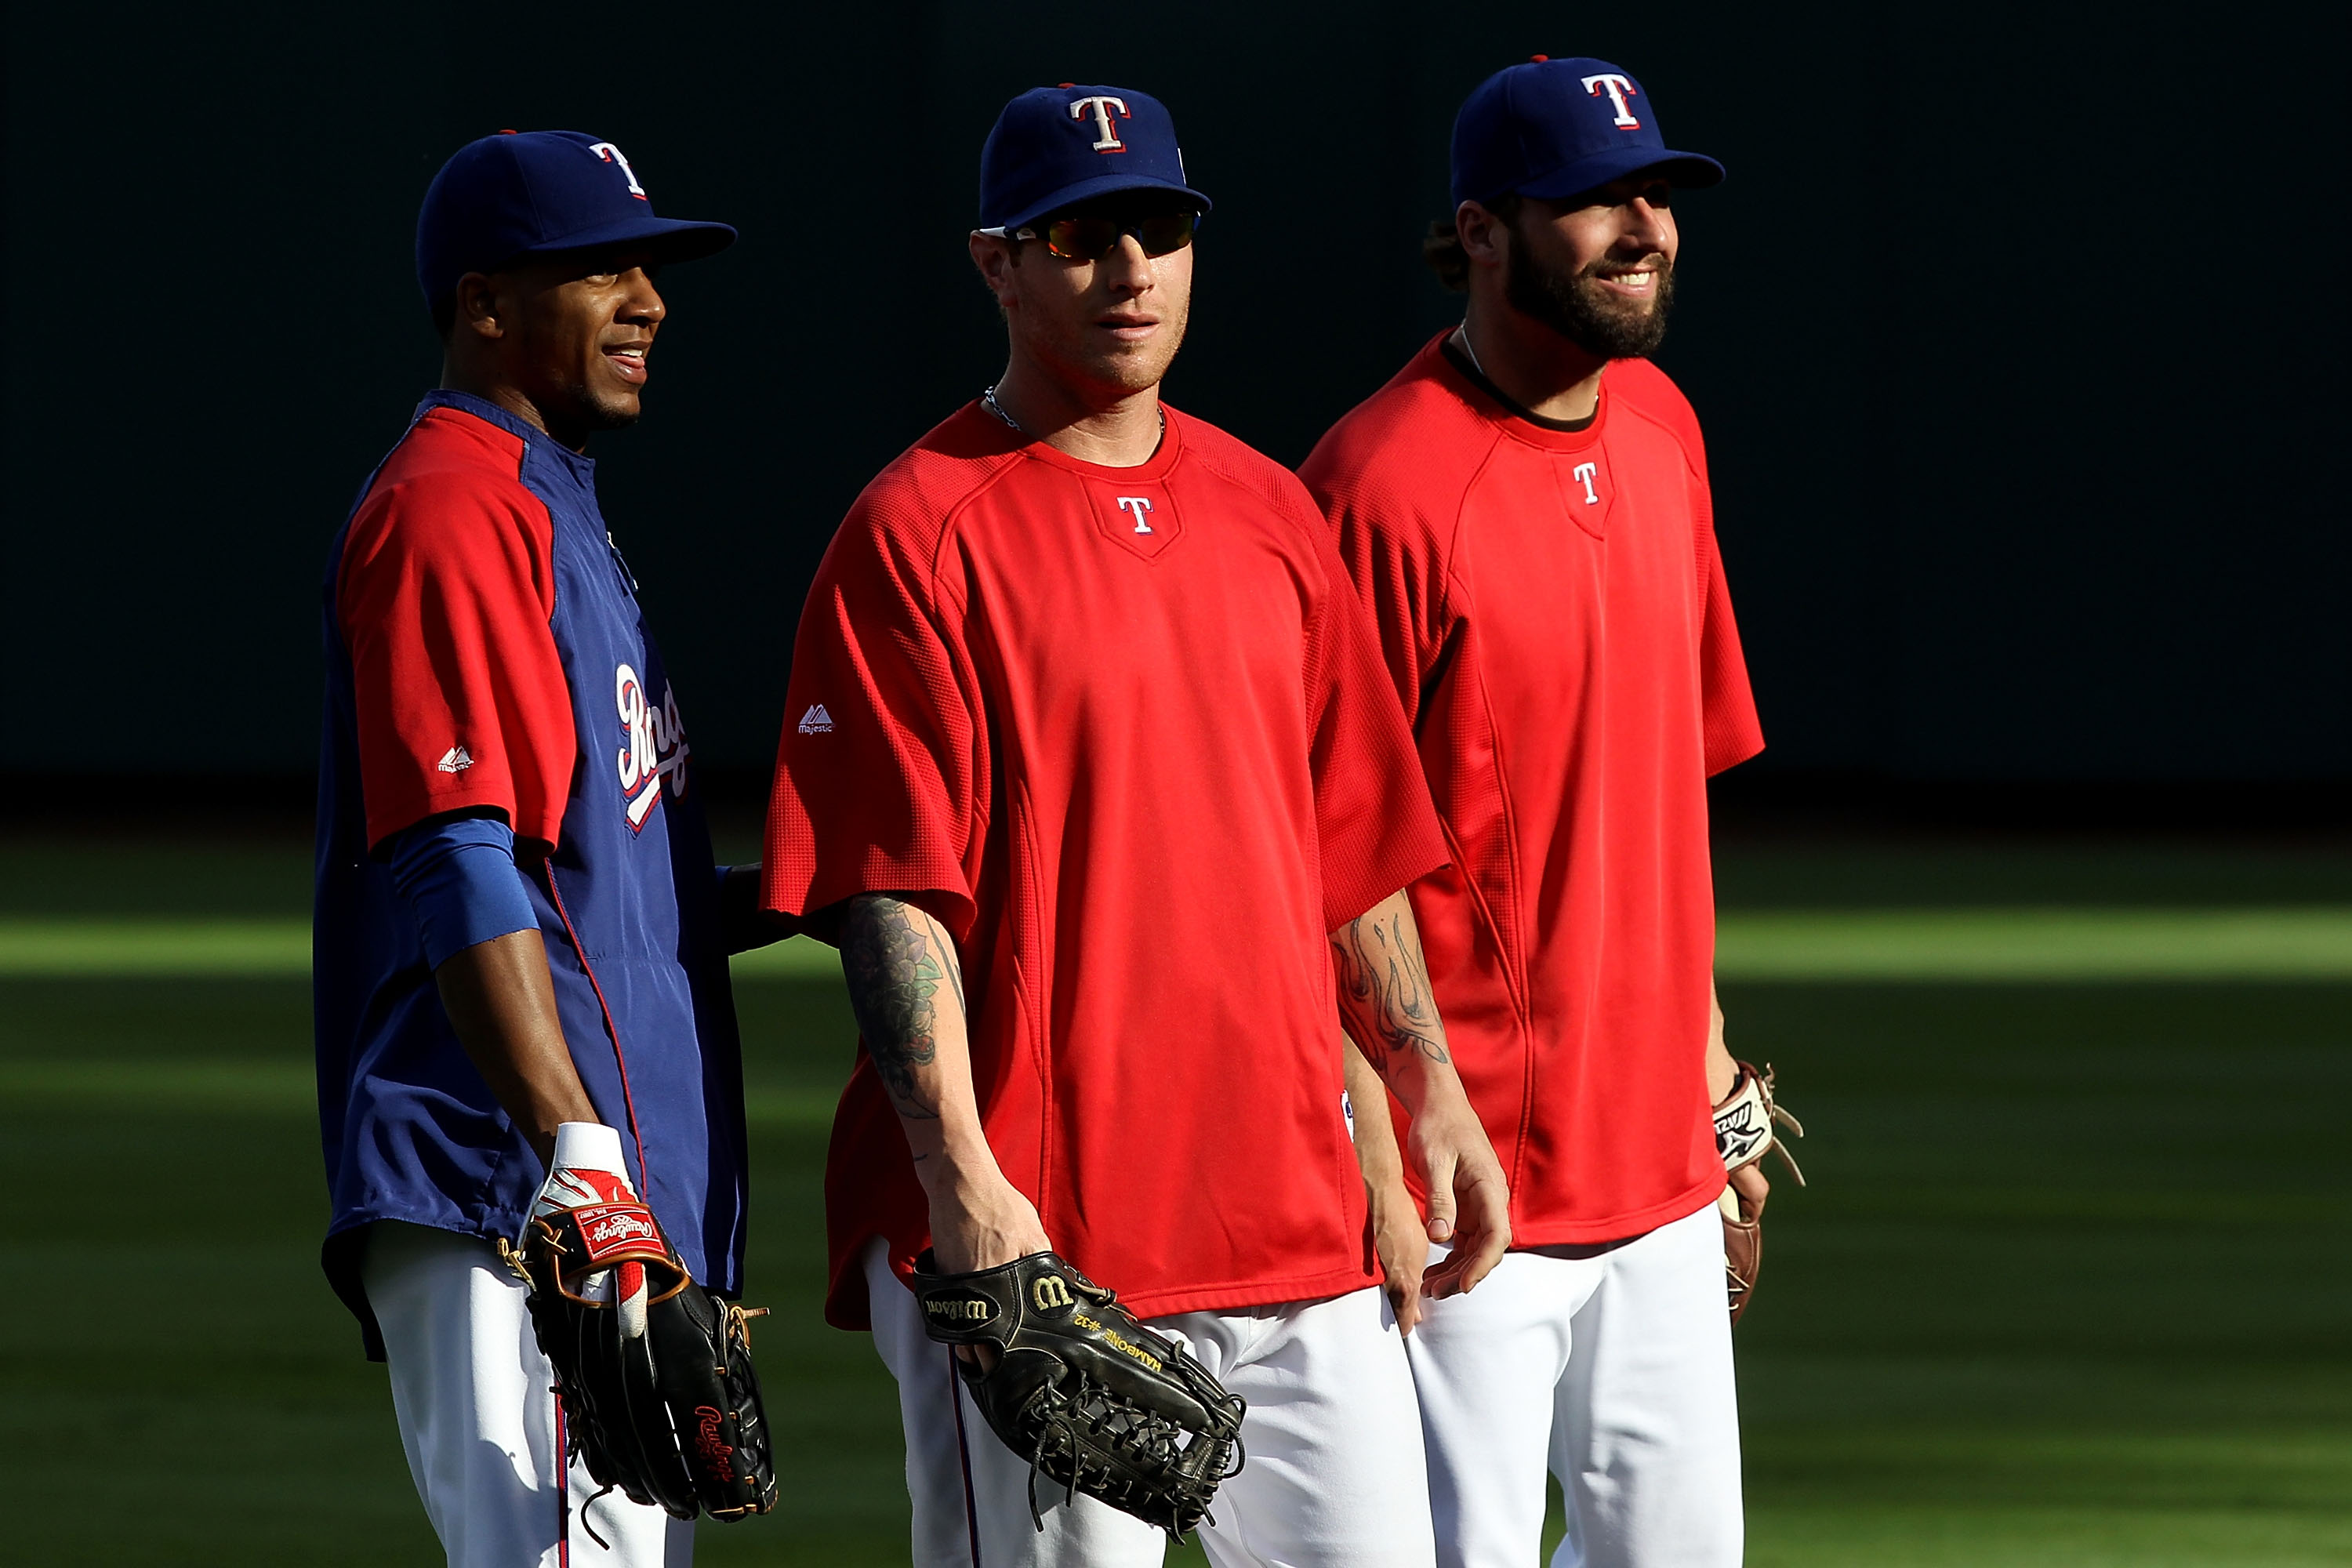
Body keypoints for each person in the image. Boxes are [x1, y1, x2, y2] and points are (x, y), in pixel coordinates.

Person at [760, 83, 1512, 1568]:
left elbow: (1344, 849)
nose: (1131, 273)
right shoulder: (918, 528)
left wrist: (1420, 1088)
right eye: (1084, 238)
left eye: (1159, 233)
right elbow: (890, 897)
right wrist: (965, 1190)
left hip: (1291, 1222)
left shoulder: (1269, 513)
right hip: (1047, 1243)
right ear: (999, 263)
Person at [1298, 56, 1772, 1568]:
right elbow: (1314, 860)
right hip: (1469, 1187)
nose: (1642, 226)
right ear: (1482, 230)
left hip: (1661, 1173)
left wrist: (1709, 1072)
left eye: (1657, 195)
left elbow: (1666, 793)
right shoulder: (1374, 488)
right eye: (1593, 199)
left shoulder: (1666, 430)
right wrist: (1380, 1134)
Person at [314, 129, 775, 1567]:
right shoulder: (453, 506)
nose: (647, 301)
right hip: (517, 1188)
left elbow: (611, 898)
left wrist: (833, 894)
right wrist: (578, 1161)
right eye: (600, 267)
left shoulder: (554, 501)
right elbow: (454, 852)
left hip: (587, 1190)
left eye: (651, 267)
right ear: (486, 302)